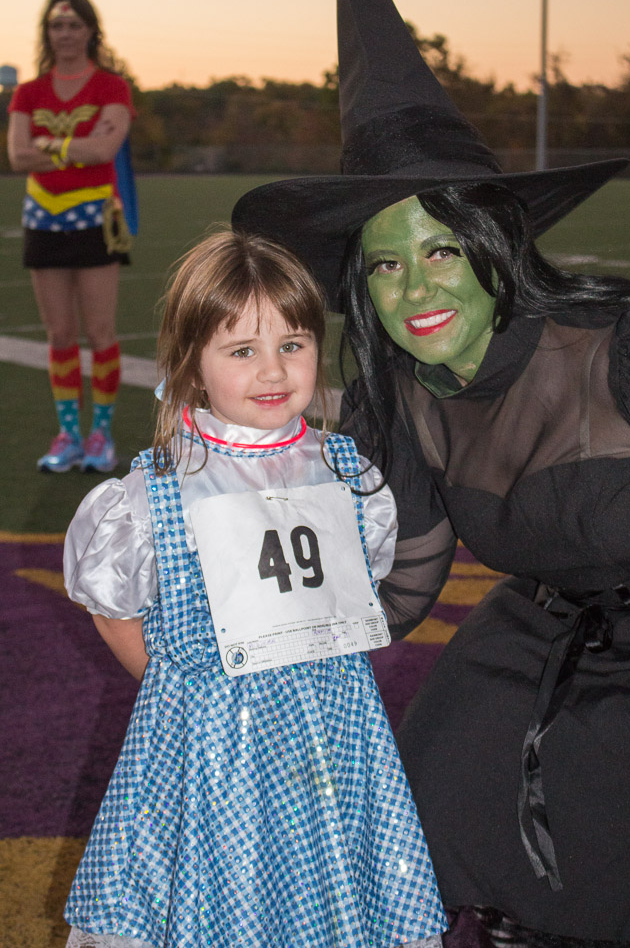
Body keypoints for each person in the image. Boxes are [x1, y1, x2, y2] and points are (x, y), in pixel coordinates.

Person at [231, 0, 630, 945]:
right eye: (385, 265)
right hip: (549, 637)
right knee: (421, 793)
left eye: (439, 248)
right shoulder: (404, 403)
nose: (416, 289)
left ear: (493, 244)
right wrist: (261, 647)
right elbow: (400, 589)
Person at [62, 229, 446, 948]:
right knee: (222, 894)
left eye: (292, 344)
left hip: (332, 740)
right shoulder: (156, 492)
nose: (273, 370)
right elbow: (112, 609)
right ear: (192, 365)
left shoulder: (348, 475)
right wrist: (186, 689)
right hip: (211, 749)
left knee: (329, 891)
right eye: (242, 351)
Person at [7, 0, 136, 474]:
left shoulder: (111, 87)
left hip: (95, 219)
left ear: (90, 31)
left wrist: (48, 145)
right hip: (42, 218)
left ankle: (101, 435)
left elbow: (104, 151)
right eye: (57, 26)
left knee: (100, 332)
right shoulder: (28, 92)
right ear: (47, 33)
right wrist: (75, 146)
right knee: (59, 334)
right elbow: (17, 156)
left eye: (74, 25)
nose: (65, 34)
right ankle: (68, 435)